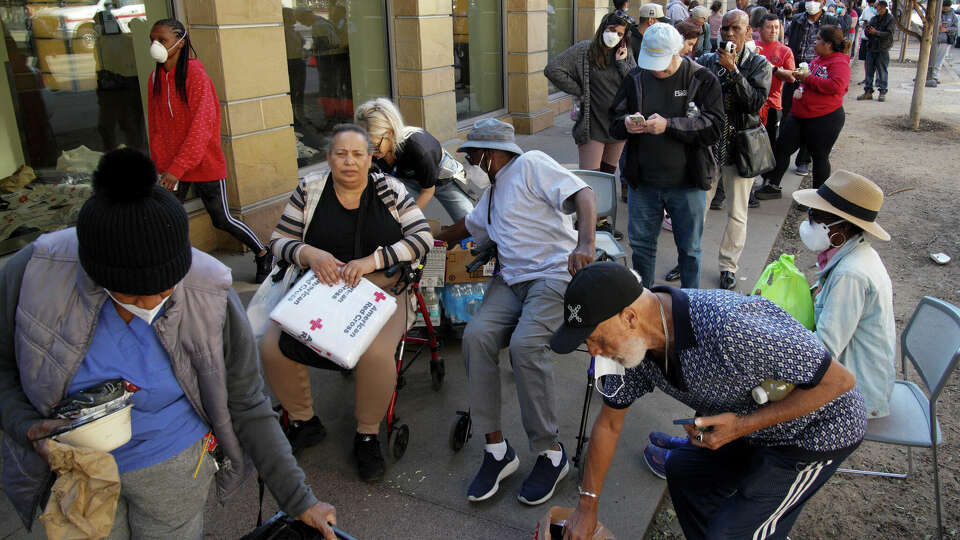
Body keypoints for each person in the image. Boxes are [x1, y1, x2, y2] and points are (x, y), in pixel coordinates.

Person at [0, 149, 339, 540]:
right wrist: (23, 424)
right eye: (134, 295)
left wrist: (300, 500)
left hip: (173, 467)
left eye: (167, 288)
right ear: (96, 272)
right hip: (73, 471)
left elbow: (246, 401)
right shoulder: (35, 272)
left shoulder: (207, 289)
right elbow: (3, 368)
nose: (152, 304)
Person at [549, 262, 866, 540]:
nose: (593, 351)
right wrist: (586, 507)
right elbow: (609, 422)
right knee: (685, 471)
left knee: (737, 533)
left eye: (596, 338)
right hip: (750, 426)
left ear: (629, 317)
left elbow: (839, 381)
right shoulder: (630, 348)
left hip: (815, 430)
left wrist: (741, 426)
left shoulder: (729, 326)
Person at [434, 118, 597, 506]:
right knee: (475, 338)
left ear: (493, 153)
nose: (470, 160)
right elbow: (463, 229)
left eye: (473, 153)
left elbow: (585, 193)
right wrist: (419, 235)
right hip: (512, 280)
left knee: (526, 347)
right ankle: (497, 450)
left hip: (553, 275)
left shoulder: (531, 164)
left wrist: (586, 243)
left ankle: (550, 453)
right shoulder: (491, 195)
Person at [260, 124, 433, 483]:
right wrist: (308, 253)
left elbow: (423, 237)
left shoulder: (390, 190)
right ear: (329, 158)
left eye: (358, 154)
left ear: (370, 158)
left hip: (381, 290)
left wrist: (374, 260)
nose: (349, 162)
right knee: (272, 346)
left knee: (374, 354)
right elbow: (278, 240)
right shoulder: (310, 190)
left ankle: (367, 434)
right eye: (341, 154)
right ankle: (304, 421)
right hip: (320, 289)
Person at [146, 19, 273, 284]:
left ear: (180, 43)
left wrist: (177, 167)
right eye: (152, 39)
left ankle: (263, 252)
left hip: (203, 161)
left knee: (221, 218)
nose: (155, 45)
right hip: (171, 166)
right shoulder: (155, 79)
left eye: (162, 40)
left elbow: (201, 129)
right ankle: (174, 268)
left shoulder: (196, 77)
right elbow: (156, 125)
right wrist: (163, 166)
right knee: (167, 217)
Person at [609, 23, 724, 289]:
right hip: (643, 182)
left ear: (679, 52)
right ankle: (645, 302)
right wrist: (626, 123)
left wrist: (670, 125)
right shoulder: (636, 77)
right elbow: (613, 119)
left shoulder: (701, 78)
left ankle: (691, 308)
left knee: (690, 249)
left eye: (662, 63)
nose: (656, 70)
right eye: (652, 63)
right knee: (641, 247)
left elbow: (715, 127)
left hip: (688, 182)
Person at [794, 171, 895, 418]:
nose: (809, 224)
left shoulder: (851, 274)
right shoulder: (853, 254)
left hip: (858, 391)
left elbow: (824, 349)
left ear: (840, 228)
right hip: (853, 371)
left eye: (815, 217)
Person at [697, 10, 773, 290]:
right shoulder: (708, 60)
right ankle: (689, 257)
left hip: (740, 149)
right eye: (725, 28)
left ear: (748, 31)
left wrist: (733, 71)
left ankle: (728, 266)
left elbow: (753, 103)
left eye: (735, 29)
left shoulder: (759, 65)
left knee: (737, 212)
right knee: (697, 208)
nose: (729, 33)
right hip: (709, 148)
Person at [759, 25, 850, 198]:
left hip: (824, 118)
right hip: (801, 115)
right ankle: (772, 185)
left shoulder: (839, 63)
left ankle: (818, 198)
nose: (814, 43)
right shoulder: (818, 60)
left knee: (819, 157)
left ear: (829, 44)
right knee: (782, 147)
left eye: (818, 39)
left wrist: (808, 78)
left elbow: (837, 86)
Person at [354, 98, 475, 223]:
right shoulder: (372, 148)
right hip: (406, 179)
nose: (372, 152)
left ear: (389, 133)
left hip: (443, 178)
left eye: (375, 146)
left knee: (470, 223)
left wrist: (407, 219)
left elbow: (428, 190)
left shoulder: (419, 147)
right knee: (389, 216)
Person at [546, 13, 637, 174]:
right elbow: (553, 69)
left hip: (617, 125)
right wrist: (579, 91)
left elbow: (635, 82)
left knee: (607, 175)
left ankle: (603, 201)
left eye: (620, 33)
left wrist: (621, 63)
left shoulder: (625, 53)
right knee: (591, 178)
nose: (614, 35)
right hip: (592, 125)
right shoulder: (584, 49)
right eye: (611, 29)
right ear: (603, 28)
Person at [782, 0, 838, 176]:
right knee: (789, 113)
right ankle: (775, 174)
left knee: (810, 119)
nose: (810, 3)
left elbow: (837, 85)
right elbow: (789, 42)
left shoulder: (830, 22)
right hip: (796, 71)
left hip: (816, 74)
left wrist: (812, 76)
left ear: (822, 2)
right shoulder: (798, 19)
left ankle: (803, 160)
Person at [757, 14, 797, 152]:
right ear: (759, 29)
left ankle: (768, 172)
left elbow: (792, 77)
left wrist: (773, 68)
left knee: (771, 144)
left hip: (773, 104)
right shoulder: (751, 46)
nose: (773, 30)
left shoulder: (785, 51)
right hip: (752, 103)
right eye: (769, 27)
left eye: (776, 27)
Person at [856, 0, 894, 100]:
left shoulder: (890, 19)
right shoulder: (874, 18)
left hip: (882, 48)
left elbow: (889, 34)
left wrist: (876, 32)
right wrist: (867, 29)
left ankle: (882, 91)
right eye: (876, 7)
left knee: (882, 71)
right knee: (869, 70)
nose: (877, 9)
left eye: (878, 7)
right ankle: (868, 91)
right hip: (871, 47)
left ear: (883, 7)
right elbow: (869, 32)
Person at [927, 0, 958, 87]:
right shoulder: (936, 13)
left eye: (946, 6)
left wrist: (947, 29)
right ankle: (927, 75)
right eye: (943, 6)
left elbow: (955, 29)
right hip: (933, 40)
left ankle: (935, 77)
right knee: (930, 58)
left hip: (945, 41)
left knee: (939, 60)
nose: (945, 8)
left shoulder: (953, 16)